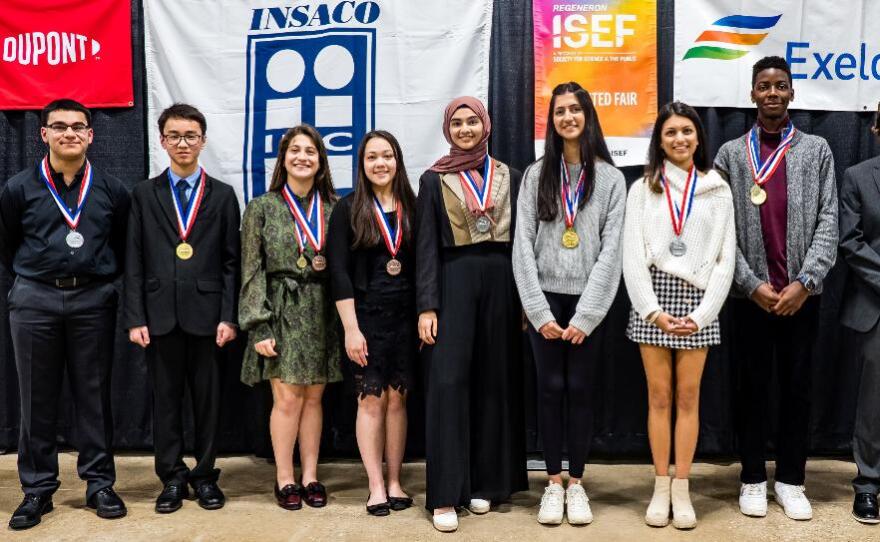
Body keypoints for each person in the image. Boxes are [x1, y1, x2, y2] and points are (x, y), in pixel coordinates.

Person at [714, 56, 838, 521]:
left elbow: (830, 219)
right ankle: (750, 478)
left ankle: (790, 479)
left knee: (798, 389)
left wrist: (806, 282)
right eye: (763, 86)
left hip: (801, 298)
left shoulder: (816, 149)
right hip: (751, 298)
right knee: (751, 389)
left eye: (780, 86)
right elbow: (720, 230)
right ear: (751, 94)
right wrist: (750, 283)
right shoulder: (730, 154)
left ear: (791, 93)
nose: (772, 93)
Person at [0, 99, 131, 529]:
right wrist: (35, 278)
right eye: (59, 126)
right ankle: (37, 489)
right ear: (44, 134)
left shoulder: (112, 189)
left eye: (78, 126)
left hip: (93, 300)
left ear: (92, 135)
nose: (69, 133)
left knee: (94, 397)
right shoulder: (19, 188)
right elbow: (8, 245)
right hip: (34, 299)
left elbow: (123, 246)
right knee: (36, 398)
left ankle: (99, 484)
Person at [512, 82, 625, 526]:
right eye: (560, 111)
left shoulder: (612, 179)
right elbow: (522, 246)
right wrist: (539, 313)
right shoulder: (536, 174)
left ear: (588, 116)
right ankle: (553, 483)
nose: (568, 118)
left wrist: (587, 316)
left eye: (575, 110)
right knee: (548, 389)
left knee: (579, 390)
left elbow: (611, 252)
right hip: (544, 300)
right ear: (552, 121)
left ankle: (577, 483)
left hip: (587, 305)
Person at [417, 96, 528, 532]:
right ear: (448, 129)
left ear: (487, 125)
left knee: (494, 380)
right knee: (448, 382)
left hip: (502, 280)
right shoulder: (433, 179)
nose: (465, 129)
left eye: (472, 122)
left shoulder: (511, 176)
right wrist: (427, 305)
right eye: (457, 123)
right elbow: (424, 246)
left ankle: (487, 482)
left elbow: (523, 244)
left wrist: (523, 301)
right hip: (453, 280)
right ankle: (446, 494)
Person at [623, 101, 735, 529]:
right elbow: (630, 256)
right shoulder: (643, 188)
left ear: (698, 137)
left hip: (698, 304)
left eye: (687, 131)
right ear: (660, 141)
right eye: (670, 133)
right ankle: (659, 486)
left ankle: (682, 487)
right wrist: (651, 311)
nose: (680, 139)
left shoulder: (717, 187)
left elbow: (726, 257)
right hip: (653, 300)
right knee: (659, 397)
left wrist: (704, 314)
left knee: (689, 398)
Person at [123, 103, 240, 514]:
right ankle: (171, 477)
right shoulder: (143, 193)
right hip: (158, 318)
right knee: (166, 402)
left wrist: (229, 316)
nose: (183, 143)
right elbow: (133, 259)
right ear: (162, 141)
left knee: (208, 404)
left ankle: (205, 476)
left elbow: (232, 263)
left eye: (191, 136)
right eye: (174, 136)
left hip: (209, 319)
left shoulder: (224, 196)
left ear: (203, 141)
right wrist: (135, 317)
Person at [238, 124, 342, 511]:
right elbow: (251, 271)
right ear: (283, 160)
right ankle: (285, 477)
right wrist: (257, 324)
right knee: (286, 399)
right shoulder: (262, 207)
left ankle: (311, 475)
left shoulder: (334, 208)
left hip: (322, 310)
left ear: (320, 161)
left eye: (310, 151)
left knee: (315, 398)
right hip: (279, 310)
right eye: (294, 150)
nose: (302, 157)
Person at [327, 130, 418, 517]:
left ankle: (395, 480)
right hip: (365, 319)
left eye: (387, 156)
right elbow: (339, 273)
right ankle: (375, 486)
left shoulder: (413, 206)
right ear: (361, 165)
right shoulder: (347, 209)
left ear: (397, 160)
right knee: (371, 401)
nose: (380, 163)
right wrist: (350, 328)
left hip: (406, 319)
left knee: (398, 402)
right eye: (372, 157)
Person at [838, 101, 880, 524]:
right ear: (876, 128)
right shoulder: (858, 177)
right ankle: (868, 484)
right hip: (876, 304)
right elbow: (850, 242)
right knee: (874, 402)